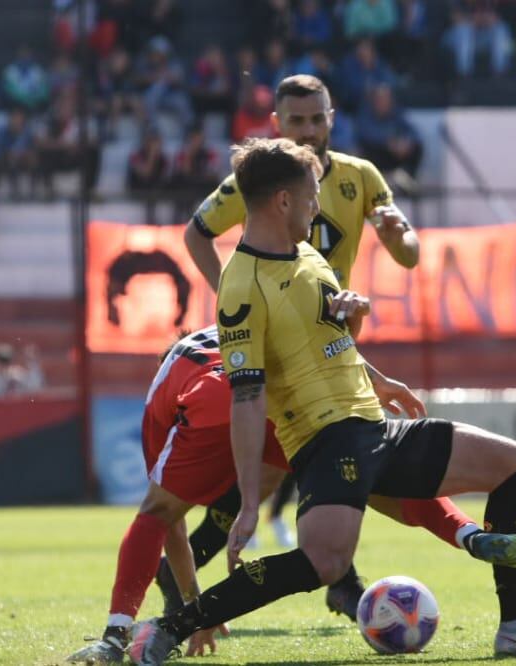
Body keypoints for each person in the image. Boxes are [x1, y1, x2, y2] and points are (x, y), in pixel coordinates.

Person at [128, 137, 516, 664]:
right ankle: (169, 627)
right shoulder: (241, 287)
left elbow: (326, 335)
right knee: (325, 562)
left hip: (373, 424)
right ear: (283, 200)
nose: (317, 206)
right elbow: (247, 398)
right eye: (311, 196)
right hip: (325, 440)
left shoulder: (305, 253)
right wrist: (248, 502)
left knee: (512, 463)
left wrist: (372, 365)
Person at [67, 323, 482, 663]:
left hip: (212, 400)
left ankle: (114, 636)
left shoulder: (164, 384)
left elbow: (166, 523)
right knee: (369, 477)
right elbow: (320, 342)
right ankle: (468, 533)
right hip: (284, 398)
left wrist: (193, 605)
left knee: (156, 512)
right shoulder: (239, 325)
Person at [179, 74, 419, 592]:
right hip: (283, 346)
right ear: (277, 123)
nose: (308, 130)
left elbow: (409, 256)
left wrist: (402, 236)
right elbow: (196, 232)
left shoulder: (361, 175)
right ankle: (339, 578)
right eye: (297, 121)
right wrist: (235, 295)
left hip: (334, 338)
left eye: (317, 119)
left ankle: (333, 576)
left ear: (331, 118)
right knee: (298, 465)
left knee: (302, 466)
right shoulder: (267, 180)